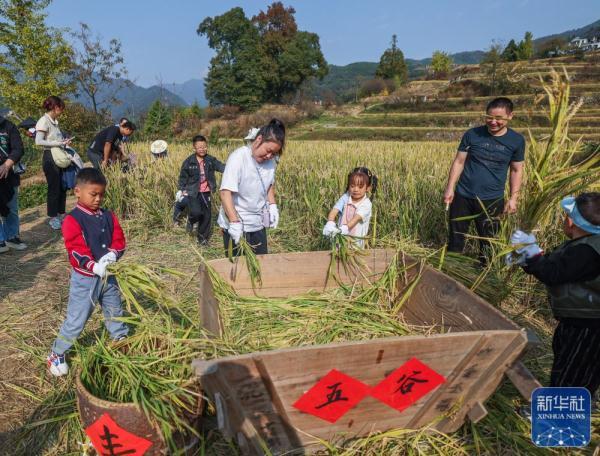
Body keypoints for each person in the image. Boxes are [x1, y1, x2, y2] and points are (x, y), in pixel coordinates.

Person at [508, 193, 600, 396]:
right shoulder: (586, 245)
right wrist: (529, 258)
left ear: (570, 221)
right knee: (566, 366)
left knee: (573, 375)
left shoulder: (588, 251)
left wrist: (532, 256)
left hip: (589, 327)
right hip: (577, 321)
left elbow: (553, 273)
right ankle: (558, 409)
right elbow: (555, 265)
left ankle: (561, 420)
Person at [46, 168, 127, 377]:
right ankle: (57, 353)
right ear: (77, 191)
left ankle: (120, 341)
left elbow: (119, 239)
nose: (98, 199)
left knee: (115, 310)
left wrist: (112, 255)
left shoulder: (108, 216)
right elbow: (76, 249)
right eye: (93, 194)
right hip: (85, 279)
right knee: (77, 319)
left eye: (102, 194)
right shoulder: (73, 220)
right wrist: (94, 266)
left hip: (109, 275)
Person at [443, 97, 525, 263]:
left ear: (510, 116)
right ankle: (451, 269)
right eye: (489, 117)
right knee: (455, 238)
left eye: (498, 118)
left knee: (488, 242)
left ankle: (484, 276)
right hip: (463, 195)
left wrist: (513, 198)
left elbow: (516, 170)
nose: (493, 122)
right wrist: (450, 187)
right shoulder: (472, 134)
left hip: (492, 200)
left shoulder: (516, 141)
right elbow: (459, 161)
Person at [217, 119, 285, 255]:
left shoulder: (270, 162)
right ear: (259, 139)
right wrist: (234, 222)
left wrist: (272, 206)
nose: (269, 156)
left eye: (274, 154)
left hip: (258, 224)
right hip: (237, 225)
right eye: (268, 151)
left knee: (260, 265)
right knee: (237, 269)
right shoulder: (239, 158)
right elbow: (225, 193)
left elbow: (268, 184)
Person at [176, 135, 225, 244]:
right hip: (193, 192)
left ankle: (202, 239)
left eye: (204, 147)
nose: (202, 149)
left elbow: (221, 166)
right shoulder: (189, 162)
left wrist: (232, 168)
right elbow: (183, 177)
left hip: (206, 192)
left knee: (207, 216)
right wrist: (181, 189)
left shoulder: (210, 160)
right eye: (199, 147)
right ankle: (191, 220)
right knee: (196, 212)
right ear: (194, 148)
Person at [35, 96, 73, 230]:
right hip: (49, 157)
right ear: (55, 107)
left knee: (62, 187)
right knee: (53, 188)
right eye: (61, 108)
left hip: (59, 155)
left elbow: (57, 139)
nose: (61, 111)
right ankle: (53, 217)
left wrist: (64, 141)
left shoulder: (55, 122)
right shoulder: (43, 121)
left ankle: (62, 214)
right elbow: (38, 141)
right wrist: (58, 143)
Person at [322, 167, 377, 248]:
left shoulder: (366, 204)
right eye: (352, 186)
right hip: (340, 241)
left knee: (353, 259)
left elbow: (356, 218)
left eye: (360, 187)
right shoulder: (346, 197)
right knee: (337, 258)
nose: (355, 189)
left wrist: (344, 228)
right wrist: (330, 222)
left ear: (368, 188)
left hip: (355, 245)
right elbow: (334, 210)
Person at [0, 115, 26, 252]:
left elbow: (18, 148)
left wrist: (7, 164)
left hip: (9, 174)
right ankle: (0, 240)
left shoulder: (8, 126)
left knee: (11, 207)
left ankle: (11, 236)